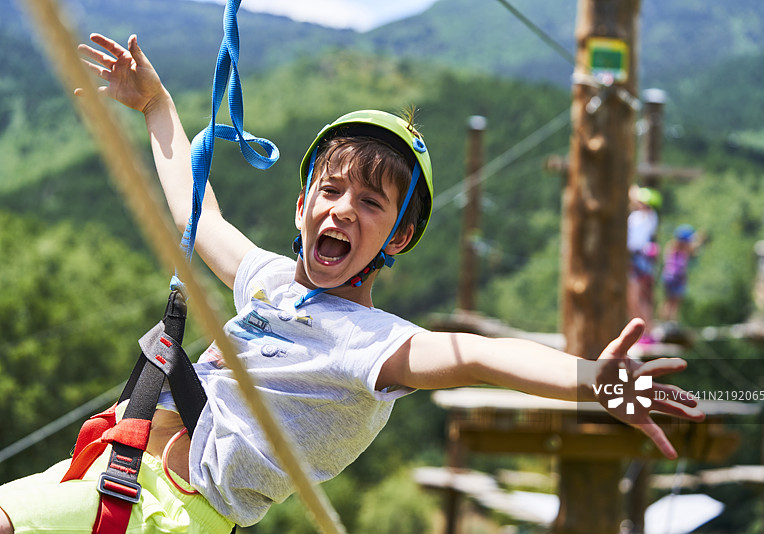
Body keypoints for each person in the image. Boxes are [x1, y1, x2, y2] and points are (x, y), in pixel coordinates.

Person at [0, 34, 704, 533]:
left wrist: (595, 381)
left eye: (370, 203)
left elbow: (477, 358)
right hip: (107, 468)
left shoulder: (369, 344)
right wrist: (157, 107)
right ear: (301, 207)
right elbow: (197, 214)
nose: (341, 210)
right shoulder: (269, 282)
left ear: (396, 238)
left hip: (164, 510)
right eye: (330, 191)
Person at [627, 185, 661, 344]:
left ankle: (647, 331)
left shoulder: (650, 216)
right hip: (634, 258)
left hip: (641, 259)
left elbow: (634, 196)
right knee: (633, 298)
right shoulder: (636, 216)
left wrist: (631, 189)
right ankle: (641, 332)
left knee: (640, 297)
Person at [660, 224, 705, 324]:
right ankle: (670, 322)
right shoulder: (685, 248)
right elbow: (695, 249)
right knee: (674, 302)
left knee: (668, 301)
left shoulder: (671, 245)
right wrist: (699, 237)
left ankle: (666, 322)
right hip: (676, 278)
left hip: (669, 276)